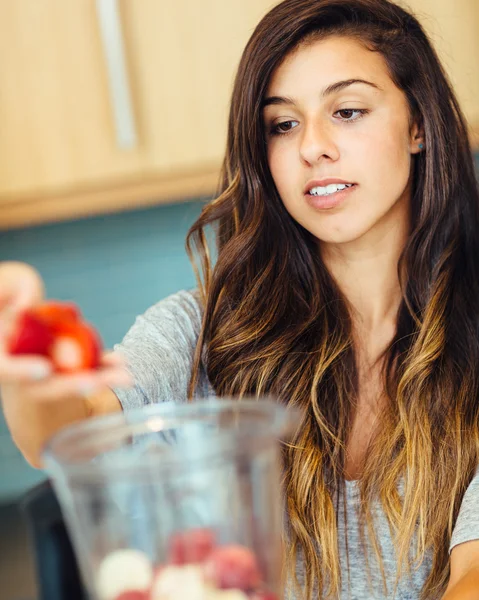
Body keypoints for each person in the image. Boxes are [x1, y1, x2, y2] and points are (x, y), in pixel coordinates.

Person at [2, 0, 479, 597]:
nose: (313, 147)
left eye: (348, 111)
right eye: (283, 124)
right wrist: (25, 366)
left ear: (418, 125)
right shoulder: (203, 332)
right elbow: (72, 431)